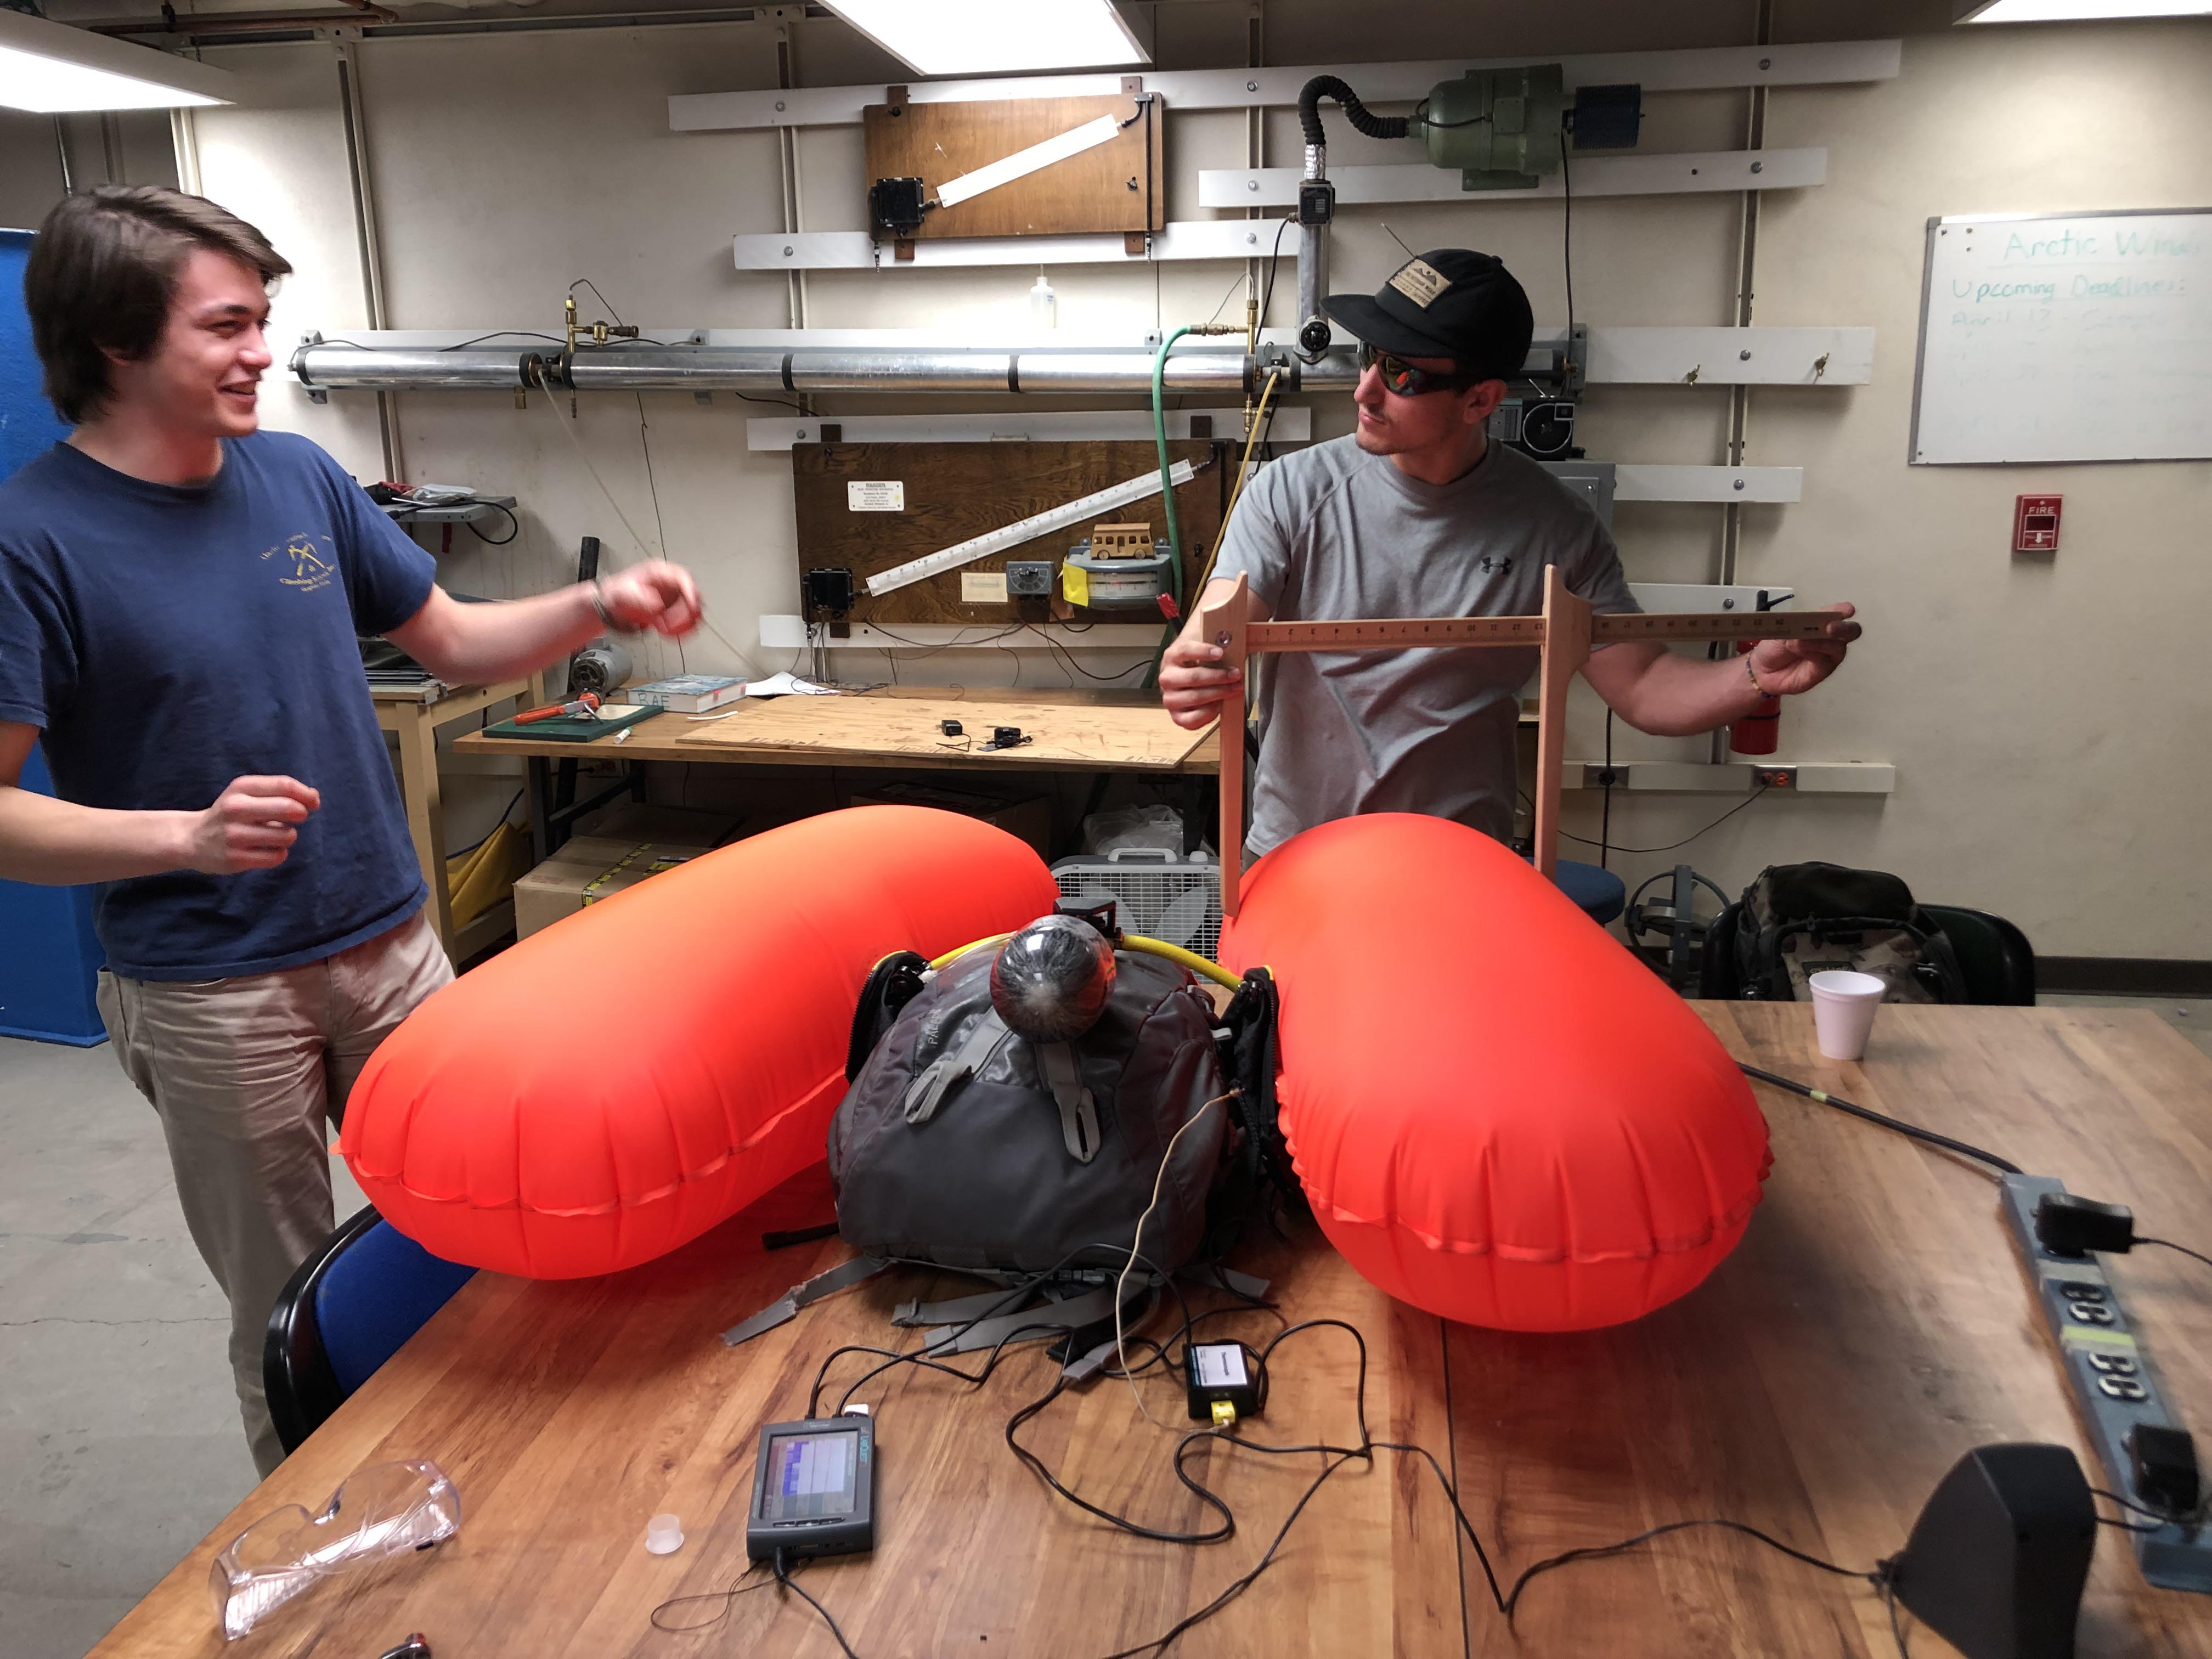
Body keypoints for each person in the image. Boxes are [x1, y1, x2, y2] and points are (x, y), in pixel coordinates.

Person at [0, 185, 702, 1476]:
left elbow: (446, 636)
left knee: (482, 1224)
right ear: (115, 340)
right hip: (210, 983)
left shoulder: (297, 475)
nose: (261, 351)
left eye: (262, 320)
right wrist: (183, 840)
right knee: (295, 1305)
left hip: (389, 941)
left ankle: (495, 1476)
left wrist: (597, 599)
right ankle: (326, 1537)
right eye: (227, 325)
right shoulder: (31, 538)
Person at [1160, 247, 1859, 862]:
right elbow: (1225, 621)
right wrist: (1194, 663)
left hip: (1464, 869)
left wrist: (1753, 678)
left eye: (1402, 374)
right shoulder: (1289, 492)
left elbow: (1644, 687)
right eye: (1371, 356)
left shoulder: (1554, 526)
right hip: (1299, 857)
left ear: (1480, 400)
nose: (1365, 389)